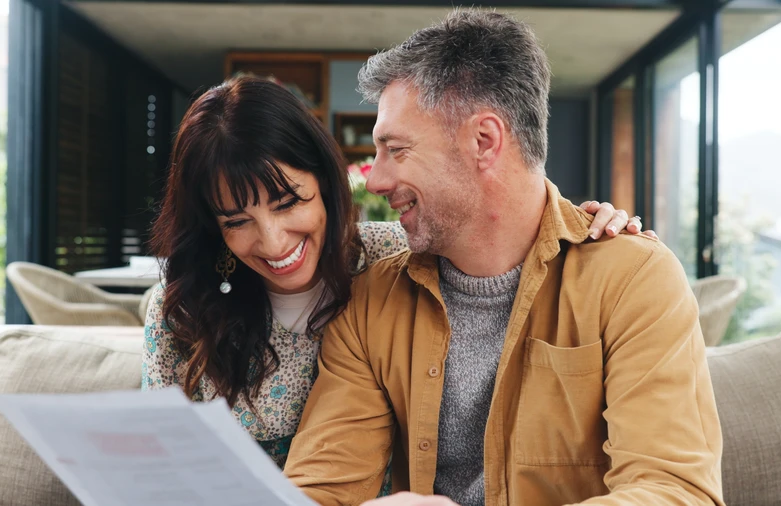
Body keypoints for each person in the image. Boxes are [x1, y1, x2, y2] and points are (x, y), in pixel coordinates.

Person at [282, 10, 723, 506]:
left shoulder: (633, 279)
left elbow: (675, 492)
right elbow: (319, 492)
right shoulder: (372, 302)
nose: (375, 179)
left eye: (396, 149)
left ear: (483, 141)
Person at [140, 76, 649, 476]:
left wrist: (584, 228)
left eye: (288, 201)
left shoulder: (391, 260)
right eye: (237, 221)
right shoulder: (180, 306)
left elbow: (501, 237)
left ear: (327, 178)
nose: (272, 242)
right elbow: (151, 467)